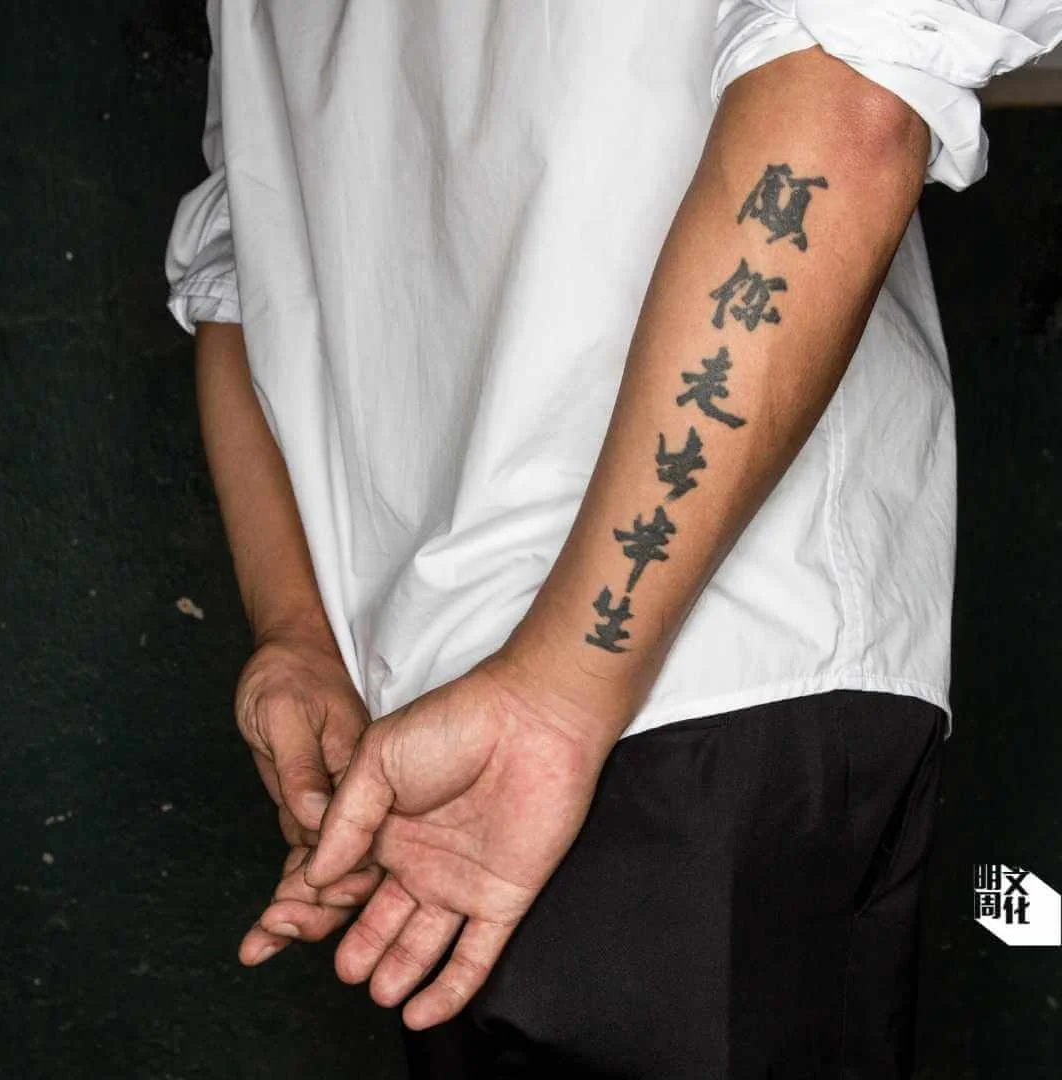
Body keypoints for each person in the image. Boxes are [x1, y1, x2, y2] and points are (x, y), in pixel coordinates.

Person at [165, 2, 1062, 1076]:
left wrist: (557, 688)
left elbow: (852, 106)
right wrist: (298, 634)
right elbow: (245, 256)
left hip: (692, 685)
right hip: (448, 759)